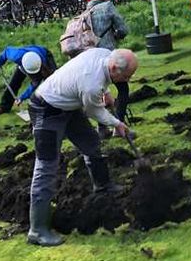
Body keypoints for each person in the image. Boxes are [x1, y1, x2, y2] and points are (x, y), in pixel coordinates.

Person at [27, 48, 138, 246]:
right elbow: (95, 111)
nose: (127, 80)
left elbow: (102, 86)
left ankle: (103, 185)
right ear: (114, 67)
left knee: (91, 143)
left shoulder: (104, 54)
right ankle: (37, 229)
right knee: (47, 166)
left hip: (69, 105)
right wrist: (117, 123)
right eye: (127, 76)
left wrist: (107, 92)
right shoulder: (91, 84)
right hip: (46, 109)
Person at [86, 0, 131, 123]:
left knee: (99, 93)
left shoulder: (85, 14)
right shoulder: (107, 7)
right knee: (123, 89)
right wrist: (116, 36)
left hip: (91, 59)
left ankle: (102, 127)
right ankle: (120, 122)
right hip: (108, 57)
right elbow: (123, 29)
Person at [0, 45, 56, 116]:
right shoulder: (17, 55)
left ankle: (55, 106)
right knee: (14, 83)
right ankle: (4, 107)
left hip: (45, 55)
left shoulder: (42, 67)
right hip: (27, 58)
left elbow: (33, 85)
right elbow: (6, 52)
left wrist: (22, 97)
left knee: (52, 82)